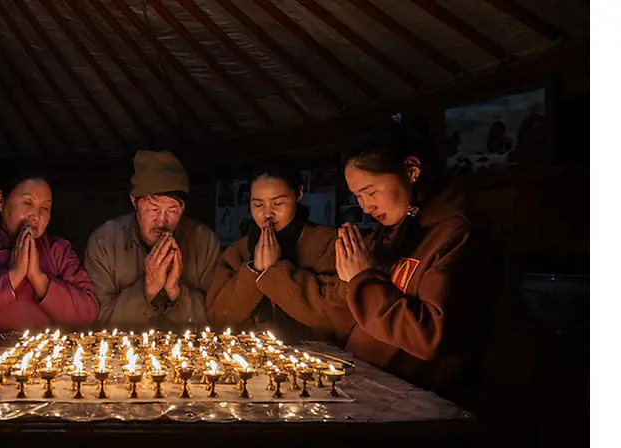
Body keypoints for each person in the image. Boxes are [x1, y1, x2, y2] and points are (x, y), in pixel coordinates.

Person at [332, 117, 498, 399]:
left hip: (421, 402)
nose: (365, 205)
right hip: (370, 388)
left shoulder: (458, 234)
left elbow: (430, 336)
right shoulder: (392, 233)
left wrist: (363, 282)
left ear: (411, 170)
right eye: (357, 196)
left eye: (370, 191)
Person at [0, 171, 98, 343]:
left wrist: (39, 279)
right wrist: (13, 275)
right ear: (0, 201)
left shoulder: (58, 251)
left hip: (44, 358)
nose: (36, 215)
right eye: (28, 202)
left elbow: (87, 315)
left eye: (45, 208)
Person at [206, 156, 345, 343]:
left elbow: (334, 319)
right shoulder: (237, 251)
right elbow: (217, 319)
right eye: (257, 204)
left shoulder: (329, 244)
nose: (267, 214)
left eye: (278, 203)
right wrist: (253, 271)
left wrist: (275, 272)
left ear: (299, 194)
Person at [84, 150, 221, 330]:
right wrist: (147, 290)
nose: (162, 221)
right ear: (135, 202)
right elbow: (98, 322)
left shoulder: (204, 242)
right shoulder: (105, 242)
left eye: (172, 210)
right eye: (153, 209)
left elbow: (218, 320)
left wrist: (176, 292)